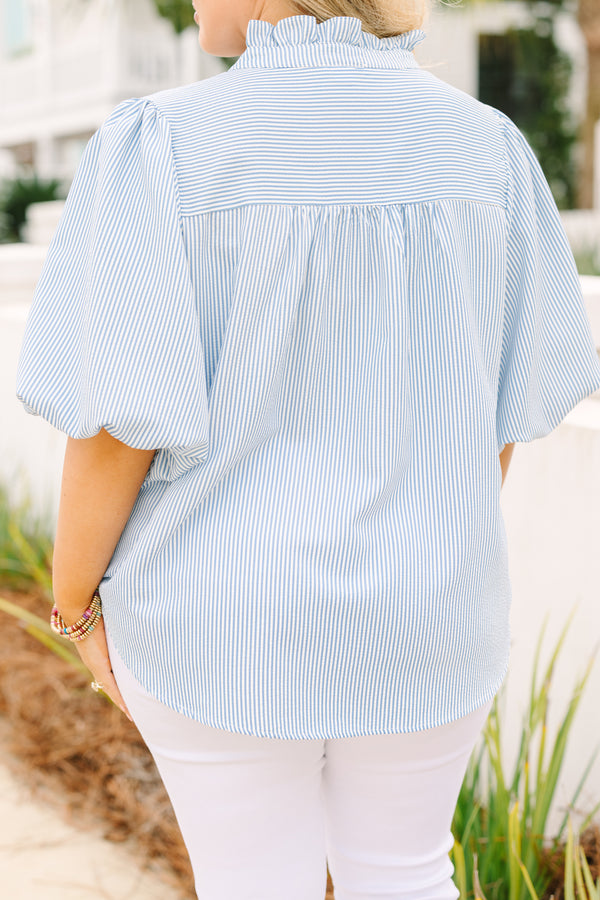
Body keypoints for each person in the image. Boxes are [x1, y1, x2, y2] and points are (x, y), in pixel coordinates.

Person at [16, 0, 600, 897]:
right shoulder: (488, 149)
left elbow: (116, 427)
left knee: (253, 884)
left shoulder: (163, 146)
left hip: (214, 619)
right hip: (430, 613)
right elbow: (503, 417)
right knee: (404, 875)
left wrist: (74, 607)